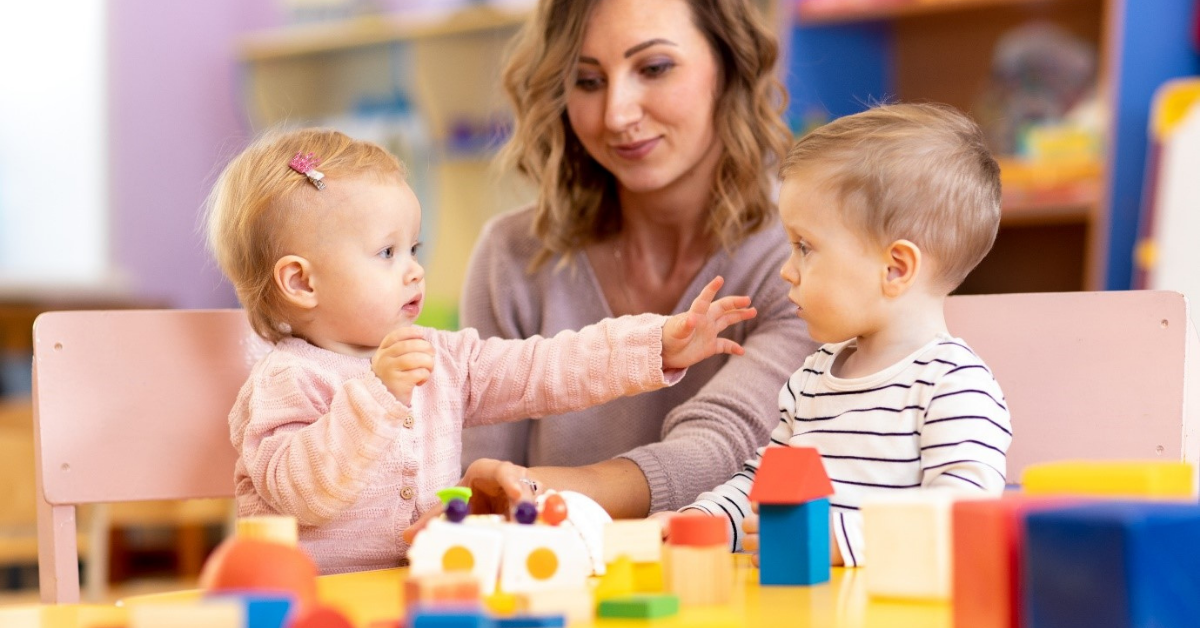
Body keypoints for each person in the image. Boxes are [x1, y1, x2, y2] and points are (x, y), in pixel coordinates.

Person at [204, 127, 757, 574]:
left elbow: (544, 368)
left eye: (413, 247)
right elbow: (302, 494)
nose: (415, 269)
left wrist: (655, 343)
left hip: (427, 584)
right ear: (301, 282)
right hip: (316, 603)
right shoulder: (286, 380)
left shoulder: (440, 356)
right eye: (386, 252)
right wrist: (377, 396)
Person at [457, 0, 818, 519]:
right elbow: (473, 477)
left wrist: (527, 490)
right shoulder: (513, 258)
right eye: (586, 81)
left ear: (730, 65)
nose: (617, 115)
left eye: (654, 69)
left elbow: (723, 451)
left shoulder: (802, 250)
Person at [660, 103, 1014, 566]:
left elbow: (966, 521)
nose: (787, 271)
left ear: (895, 267)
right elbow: (762, 489)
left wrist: (843, 540)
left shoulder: (954, 386)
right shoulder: (810, 380)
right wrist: (699, 521)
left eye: (805, 247)